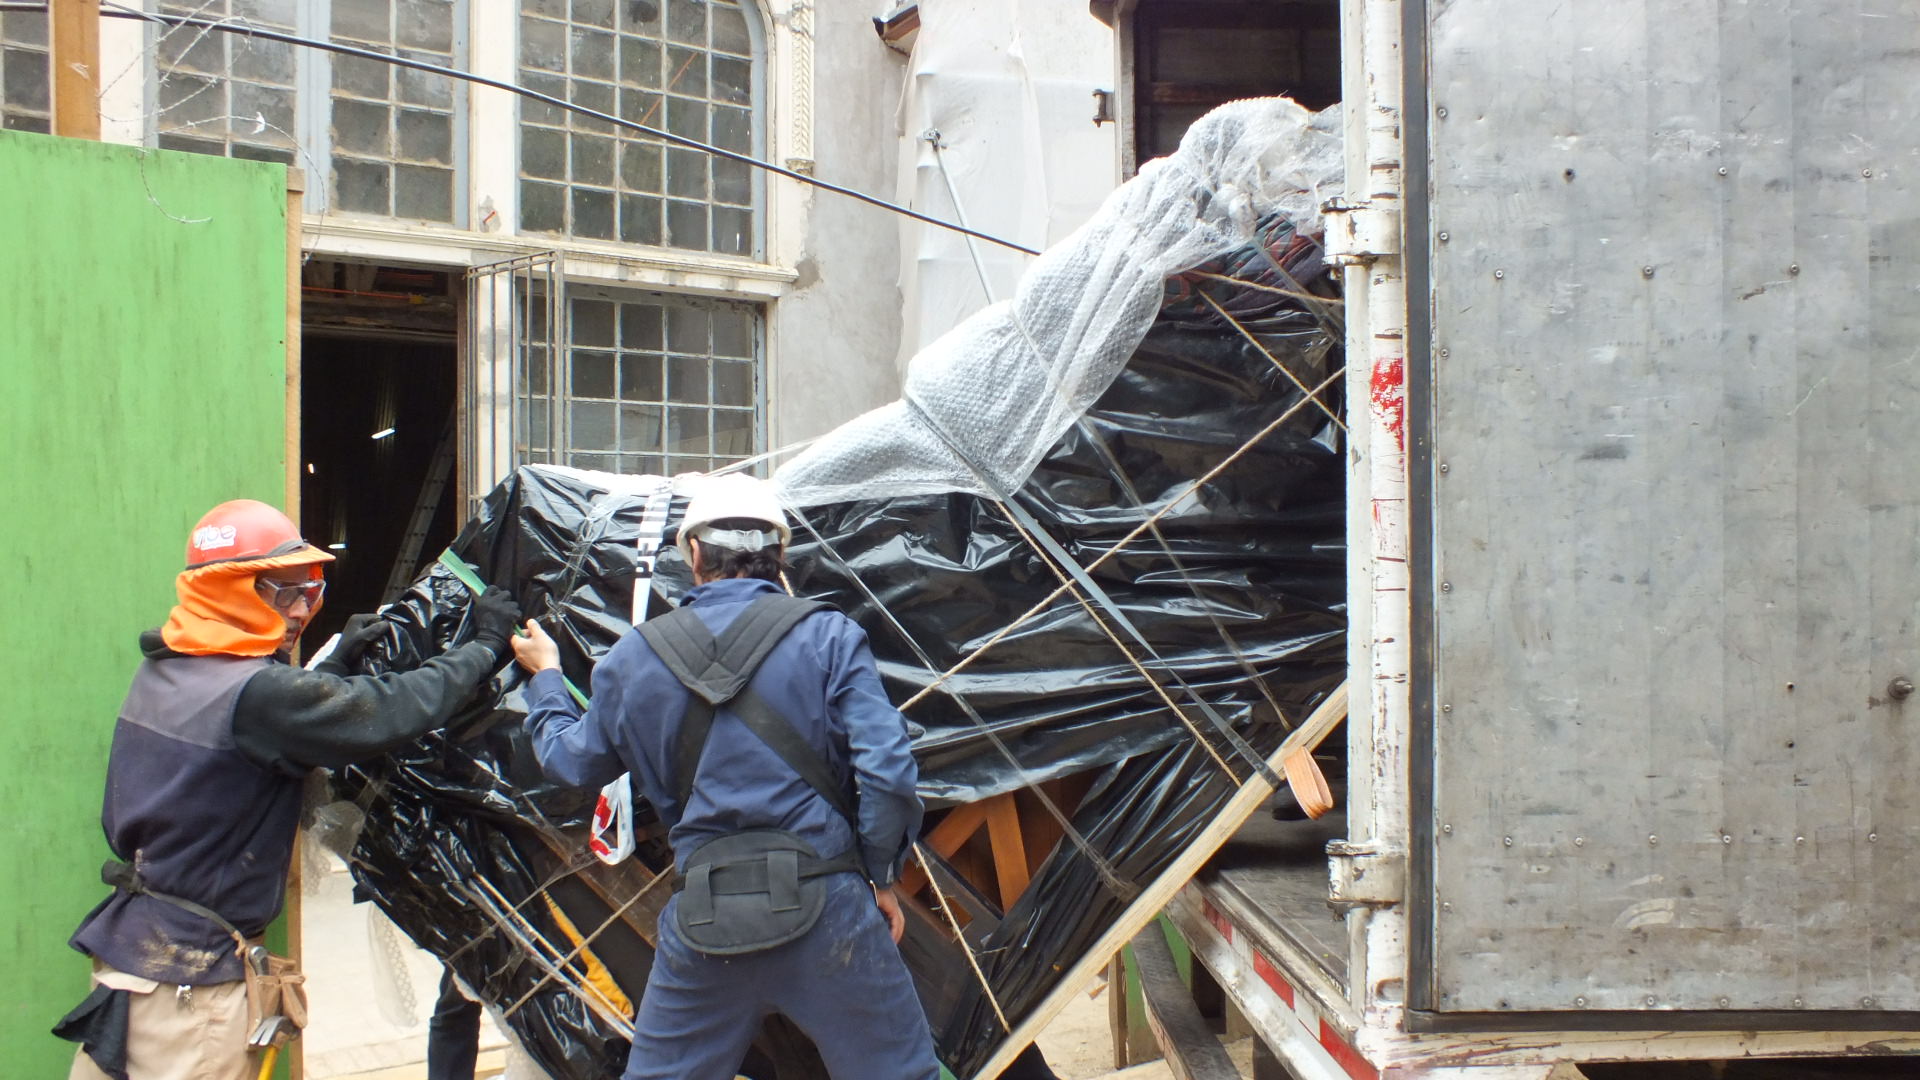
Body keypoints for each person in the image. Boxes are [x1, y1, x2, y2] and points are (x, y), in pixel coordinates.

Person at [54, 498, 521, 1080]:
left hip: (140, 961)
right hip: (190, 997)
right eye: (283, 592)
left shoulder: (164, 671)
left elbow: (253, 739)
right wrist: (481, 648)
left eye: (312, 590)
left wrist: (329, 671)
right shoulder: (255, 694)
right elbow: (389, 712)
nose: (302, 609)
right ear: (227, 591)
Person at [510, 473, 937, 1080]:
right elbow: (889, 773)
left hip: (705, 921)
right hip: (828, 908)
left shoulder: (635, 657)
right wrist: (880, 873)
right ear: (780, 555)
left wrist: (547, 678)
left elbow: (573, 763)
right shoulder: (827, 635)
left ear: (692, 555)